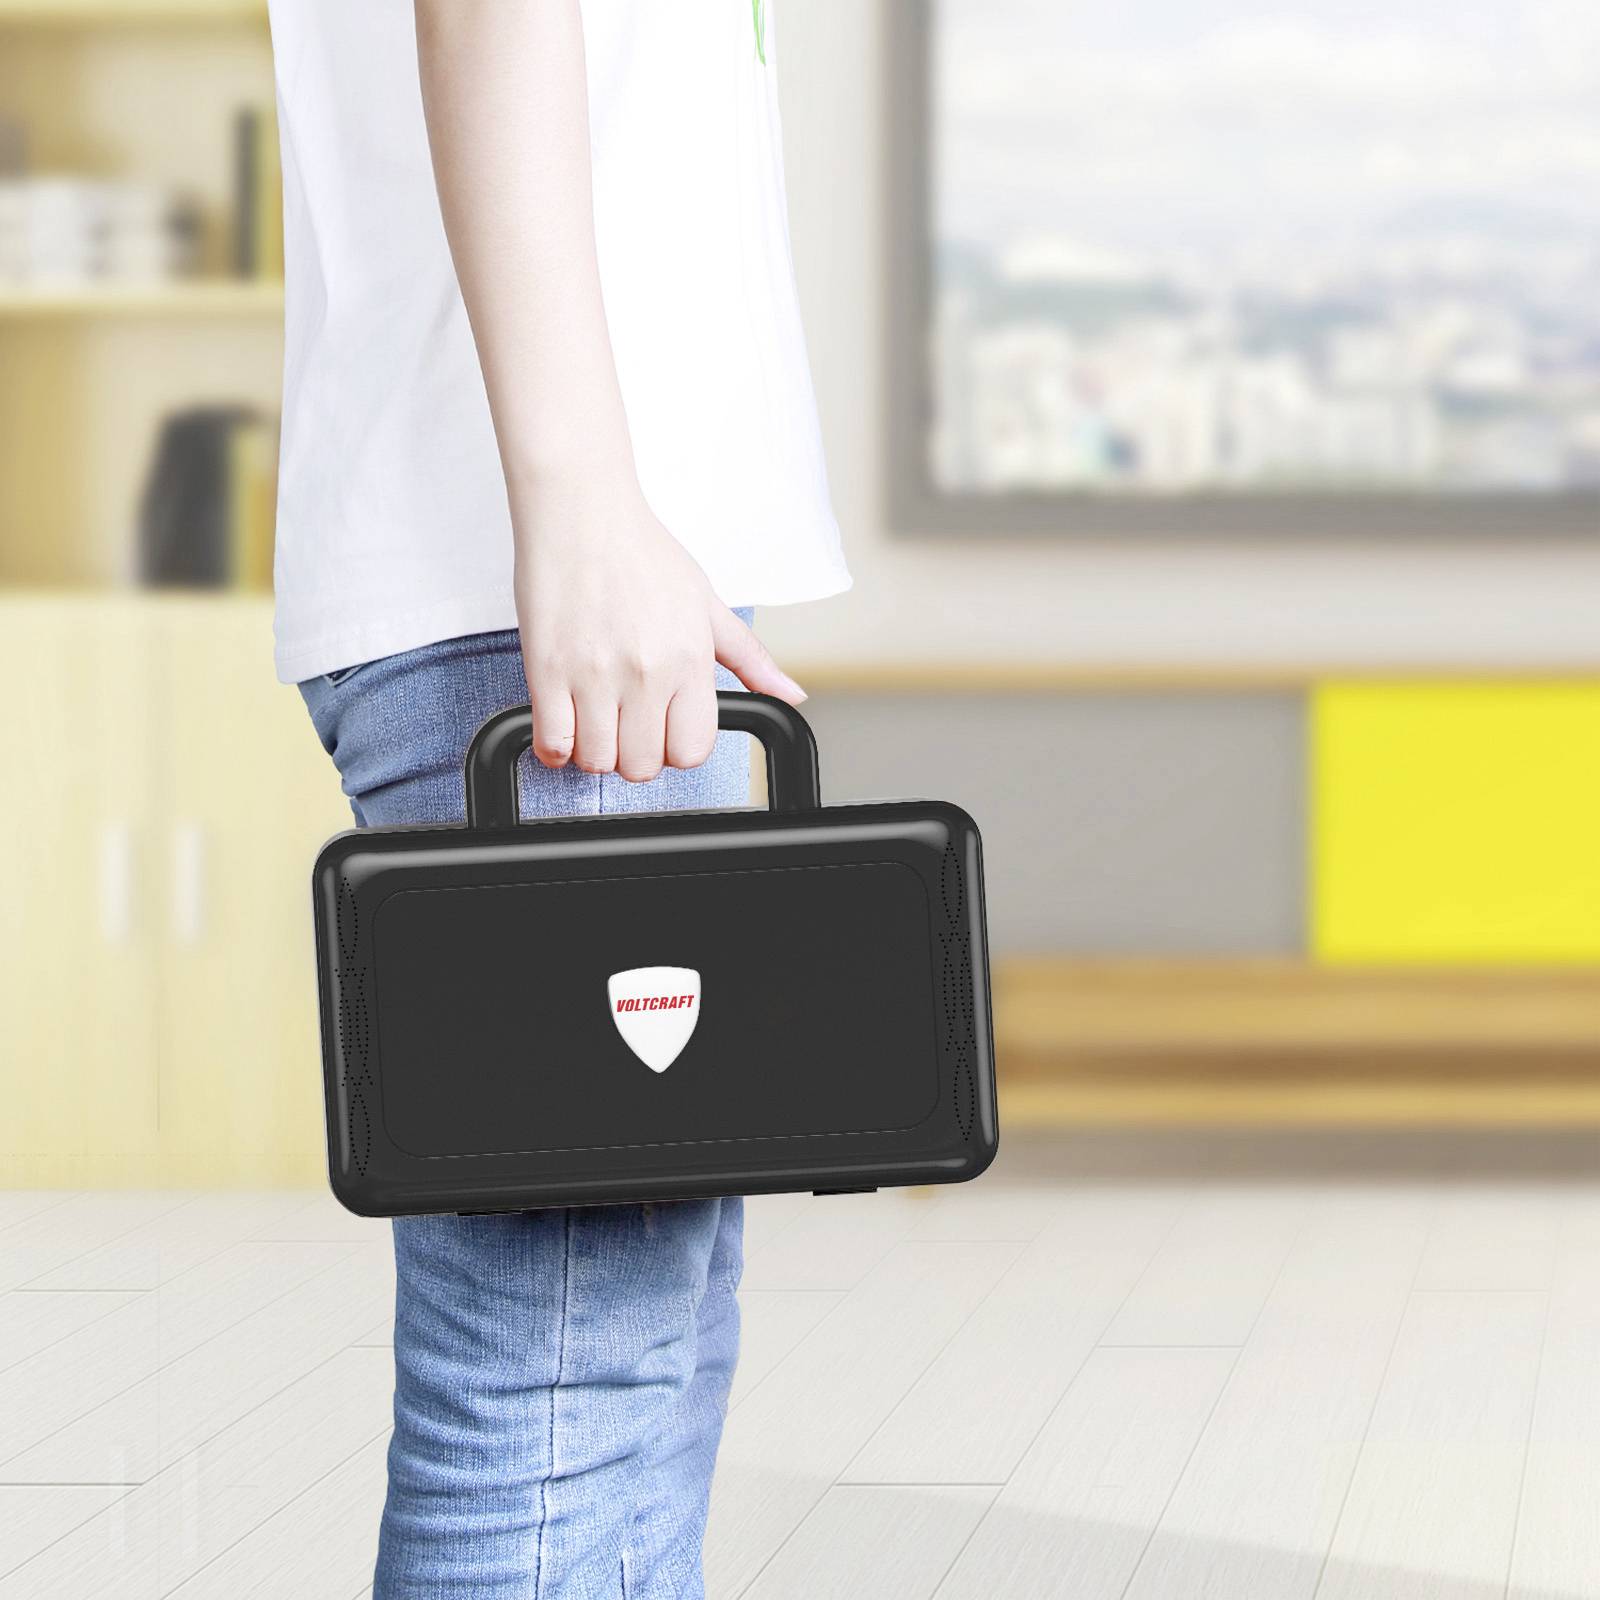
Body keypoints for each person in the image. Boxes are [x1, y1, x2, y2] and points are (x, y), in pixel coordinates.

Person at [265, 2, 848, 1593]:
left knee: (630, 1362)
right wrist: (583, 507)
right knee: (561, 1390)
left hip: (580, 594)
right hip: (543, 613)